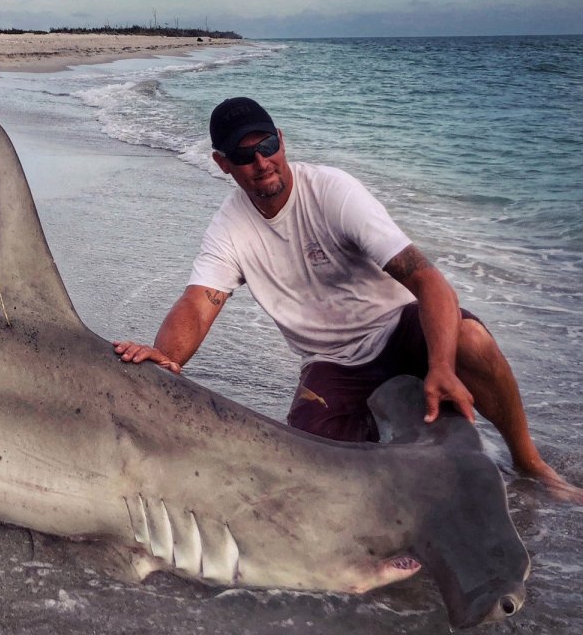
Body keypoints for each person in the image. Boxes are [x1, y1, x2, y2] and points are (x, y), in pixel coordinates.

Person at [113, 96, 581, 501]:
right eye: (244, 155)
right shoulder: (230, 227)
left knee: (471, 341)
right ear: (222, 163)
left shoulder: (333, 191)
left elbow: (430, 282)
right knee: (308, 472)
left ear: (281, 139)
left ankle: (530, 462)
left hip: (400, 328)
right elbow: (200, 301)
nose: (262, 163)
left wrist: (440, 365)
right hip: (333, 361)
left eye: (268, 146)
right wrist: (167, 357)